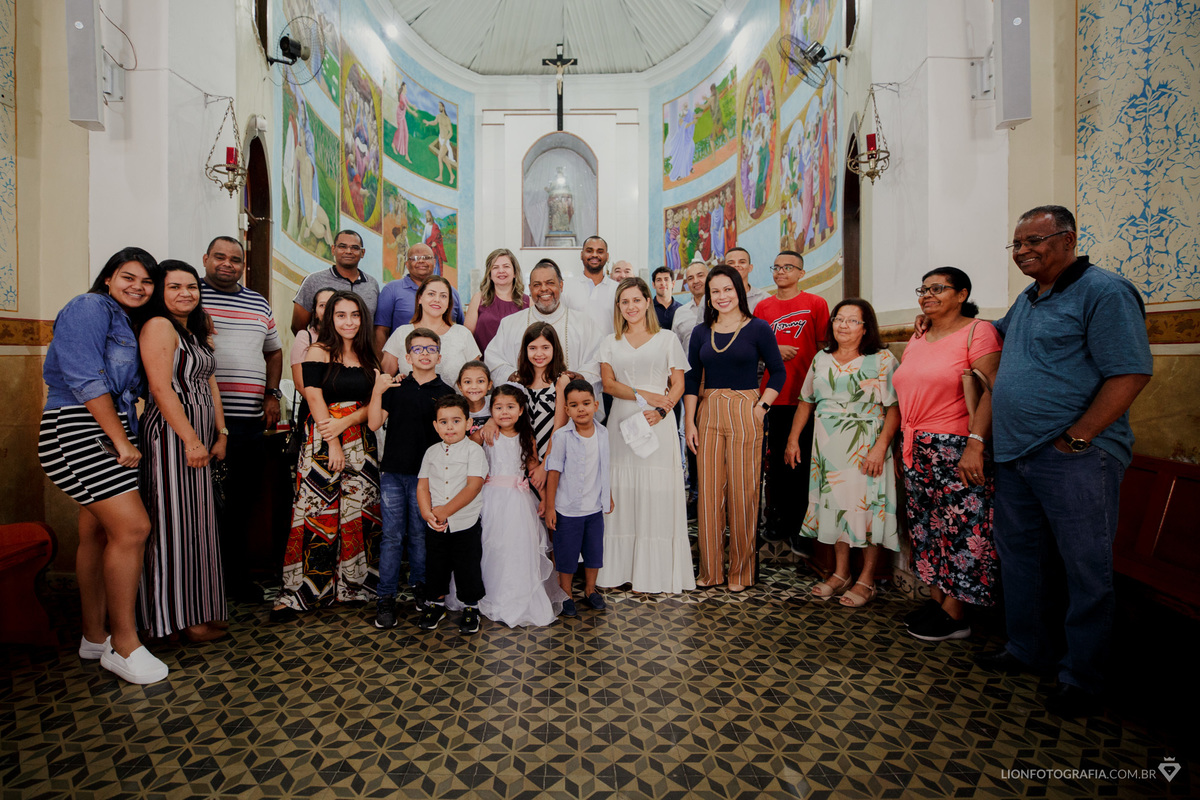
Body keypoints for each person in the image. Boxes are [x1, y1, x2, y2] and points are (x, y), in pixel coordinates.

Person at [974, 205, 1152, 718]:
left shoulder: (1103, 290)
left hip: (1075, 458)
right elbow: (994, 334)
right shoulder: (1030, 299)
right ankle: (1028, 649)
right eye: (1017, 244)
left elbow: (1131, 373)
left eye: (1036, 240)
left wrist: (1078, 438)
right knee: (1023, 561)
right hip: (1016, 456)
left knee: (1084, 568)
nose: (1024, 250)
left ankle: (1083, 676)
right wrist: (942, 319)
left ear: (1069, 239)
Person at [40, 246, 168, 684]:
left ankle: (94, 636)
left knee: (97, 530)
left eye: (146, 282)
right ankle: (124, 644)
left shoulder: (127, 323)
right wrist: (118, 440)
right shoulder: (89, 306)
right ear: (110, 278)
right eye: (128, 277)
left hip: (108, 426)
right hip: (79, 426)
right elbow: (84, 378)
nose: (138, 286)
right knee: (133, 529)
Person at [893, 268, 1002, 642]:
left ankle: (957, 614)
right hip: (916, 444)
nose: (928, 294)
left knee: (960, 529)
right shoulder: (919, 336)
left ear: (962, 294)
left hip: (956, 446)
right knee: (926, 527)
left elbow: (991, 389)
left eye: (938, 288)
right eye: (924, 289)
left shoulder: (977, 331)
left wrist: (976, 442)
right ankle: (939, 601)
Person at [135, 260, 228, 644]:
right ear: (160, 291)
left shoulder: (192, 332)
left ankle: (194, 612)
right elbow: (160, 389)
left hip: (200, 438)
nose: (185, 293)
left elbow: (210, 385)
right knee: (172, 528)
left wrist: (220, 433)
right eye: (174, 287)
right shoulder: (158, 326)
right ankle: (169, 619)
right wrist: (190, 438)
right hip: (173, 438)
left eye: (191, 286)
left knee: (196, 528)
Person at [274, 292, 381, 619]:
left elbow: (371, 407)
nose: (348, 321)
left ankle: (353, 587)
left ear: (362, 319)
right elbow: (315, 395)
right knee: (315, 512)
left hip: (362, 443)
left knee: (360, 514)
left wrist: (349, 422)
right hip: (322, 440)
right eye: (341, 315)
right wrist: (332, 440)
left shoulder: (368, 356)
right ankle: (301, 592)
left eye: (355, 315)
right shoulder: (318, 350)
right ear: (329, 319)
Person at [787, 299, 900, 608]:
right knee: (836, 508)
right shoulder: (821, 359)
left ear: (866, 328)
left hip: (866, 447)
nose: (843, 325)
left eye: (852, 320)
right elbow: (806, 400)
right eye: (839, 319)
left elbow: (894, 409)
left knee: (865, 510)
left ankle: (866, 579)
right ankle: (840, 574)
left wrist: (880, 447)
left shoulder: (882, 359)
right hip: (827, 448)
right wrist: (794, 438)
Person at [683, 265, 785, 592]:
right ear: (708, 297)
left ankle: (741, 572)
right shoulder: (701, 332)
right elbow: (690, 379)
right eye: (716, 291)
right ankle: (711, 571)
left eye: (728, 289)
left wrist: (761, 408)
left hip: (746, 409)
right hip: (708, 411)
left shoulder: (758, 328)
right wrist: (689, 422)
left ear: (738, 290)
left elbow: (778, 373)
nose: (722, 296)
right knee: (710, 495)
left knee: (744, 493)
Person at [596, 279, 694, 594]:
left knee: (656, 492)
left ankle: (655, 573)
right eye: (624, 302)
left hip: (657, 423)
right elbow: (609, 385)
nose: (631, 307)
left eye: (636, 300)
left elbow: (678, 384)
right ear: (618, 307)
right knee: (621, 493)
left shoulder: (667, 339)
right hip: (622, 423)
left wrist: (662, 411)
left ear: (647, 302)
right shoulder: (610, 341)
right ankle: (620, 570)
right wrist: (646, 395)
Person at [199, 236, 283, 602]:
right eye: (220, 257)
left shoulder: (257, 302)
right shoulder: (191, 296)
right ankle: (202, 581)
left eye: (235, 259)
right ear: (206, 259)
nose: (228, 264)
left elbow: (274, 351)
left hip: (248, 421)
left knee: (241, 502)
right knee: (203, 504)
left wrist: (271, 393)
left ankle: (236, 579)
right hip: (202, 420)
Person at [366, 328, 457, 629]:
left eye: (430, 349)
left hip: (427, 478)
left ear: (439, 356)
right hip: (393, 471)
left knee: (420, 534)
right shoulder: (396, 388)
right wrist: (378, 390)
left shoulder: (446, 394)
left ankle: (421, 587)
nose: (424, 354)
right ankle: (386, 597)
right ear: (407, 357)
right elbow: (374, 422)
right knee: (392, 536)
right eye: (417, 350)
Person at [469, 383, 567, 627]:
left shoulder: (527, 438)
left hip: (519, 501)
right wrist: (484, 427)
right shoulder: (485, 434)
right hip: (490, 498)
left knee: (518, 547)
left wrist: (545, 499)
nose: (504, 412)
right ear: (491, 410)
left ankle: (519, 595)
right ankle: (489, 593)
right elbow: (467, 450)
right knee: (491, 545)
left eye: (510, 407)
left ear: (522, 410)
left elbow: (534, 471)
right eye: (498, 407)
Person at [757, 251, 829, 546]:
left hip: (805, 397)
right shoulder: (763, 307)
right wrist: (774, 349)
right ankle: (776, 521)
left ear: (801, 272)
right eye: (776, 267)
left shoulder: (816, 303)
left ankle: (801, 525)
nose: (781, 271)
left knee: (801, 464)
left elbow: (825, 346)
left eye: (788, 267)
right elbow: (754, 347)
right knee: (773, 464)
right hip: (772, 396)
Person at [417, 395, 488, 633]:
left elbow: (474, 486)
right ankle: (436, 604)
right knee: (436, 565)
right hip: (435, 524)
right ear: (435, 426)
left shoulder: (474, 451)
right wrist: (427, 513)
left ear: (468, 424)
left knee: (467, 566)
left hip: (465, 524)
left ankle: (471, 608)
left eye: (456, 421)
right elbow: (423, 486)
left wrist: (445, 511)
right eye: (443, 422)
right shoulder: (430, 452)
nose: (450, 427)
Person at [544, 380, 614, 617]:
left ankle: (590, 590)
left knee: (594, 552)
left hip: (594, 508)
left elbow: (604, 468)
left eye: (586, 403)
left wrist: (608, 495)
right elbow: (553, 473)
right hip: (568, 509)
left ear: (595, 405)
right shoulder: (562, 436)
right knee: (566, 555)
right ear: (567, 410)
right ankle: (566, 593)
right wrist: (551, 507)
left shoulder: (603, 433)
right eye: (574, 405)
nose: (581, 409)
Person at [483, 259, 602, 391]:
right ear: (530, 289)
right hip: (525, 405)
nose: (544, 289)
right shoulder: (510, 324)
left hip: (571, 403)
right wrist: (511, 375)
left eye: (550, 283)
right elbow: (493, 358)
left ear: (561, 286)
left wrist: (582, 377)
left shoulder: (585, 324)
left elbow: (597, 358)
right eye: (537, 285)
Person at [381, 276, 480, 383]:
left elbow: (477, 378)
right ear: (419, 298)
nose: (437, 300)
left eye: (443, 296)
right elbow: (385, 378)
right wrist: (397, 380)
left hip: (456, 399)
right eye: (431, 294)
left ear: (448, 303)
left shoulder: (463, 334)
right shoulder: (401, 333)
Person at [374, 243, 465, 352]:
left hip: (448, 360)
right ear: (407, 264)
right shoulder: (392, 289)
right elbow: (381, 331)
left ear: (434, 262)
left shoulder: (451, 291)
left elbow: (461, 329)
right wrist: (382, 364)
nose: (421, 261)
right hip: (404, 361)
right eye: (415, 258)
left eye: (427, 257)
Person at [291, 230, 381, 334]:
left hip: (362, 350)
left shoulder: (372, 284)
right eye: (342, 246)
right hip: (324, 349)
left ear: (362, 253)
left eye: (355, 248)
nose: (348, 251)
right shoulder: (314, 281)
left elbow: (374, 327)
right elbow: (297, 326)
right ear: (333, 249)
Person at [513, 322, 569, 471]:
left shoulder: (561, 381)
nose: (539, 354)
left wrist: (545, 465)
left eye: (545, 347)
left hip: (553, 458)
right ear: (525, 350)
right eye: (532, 348)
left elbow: (559, 427)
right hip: (524, 458)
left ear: (554, 349)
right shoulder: (519, 382)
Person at [464, 248, 528, 354]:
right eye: (495, 267)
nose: (501, 271)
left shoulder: (528, 302)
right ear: (490, 274)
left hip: (516, 367)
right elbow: (466, 338)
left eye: (506, 266)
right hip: (482, 366)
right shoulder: (478, 298)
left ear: (515, 272)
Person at [562, 236, 618, 337]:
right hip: (575, 352)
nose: (594, 255)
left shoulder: (617, 289)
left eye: (600, 251)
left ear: (607, 256)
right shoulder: (566, 287)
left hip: (609, 351)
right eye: (589, 251)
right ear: (581, 254)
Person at [671, 259, 709, 355]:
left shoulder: (722, 308)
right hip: (690, 368)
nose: (695, 281)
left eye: (700, 276)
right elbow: (675, 350)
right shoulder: (680, 312)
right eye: (690, 278)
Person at [724, 246, 768, 313]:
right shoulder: (713, 298)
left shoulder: (763, 298)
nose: (736, 265)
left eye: (742, 262)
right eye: (731, 263)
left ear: (750, 268)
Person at [424, 101, 458, 184]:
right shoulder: (438, 116)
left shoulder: (447, 119)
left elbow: (451, 132)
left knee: (440, 157)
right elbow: (435, 122)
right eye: (438, 106)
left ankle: (441, 177)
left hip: (445, 141)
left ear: (443, 107)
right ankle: (452, 175)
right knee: (444, 158)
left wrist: (446, 140)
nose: (439, 108)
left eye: (440, 106)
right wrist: (428, 122)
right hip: (440, 139)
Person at [456, 360, 493, 435]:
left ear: (489, 385)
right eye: (468, 382)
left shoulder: (496, 403)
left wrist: (494, 421)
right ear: (459, 386)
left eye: (480, 381)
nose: (474, 387)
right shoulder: (455, 409)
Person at [651, 266, 682, 331]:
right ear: (653, 285)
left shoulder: (681, 309)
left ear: (673, 284)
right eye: (659, 280)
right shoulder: (647, 308)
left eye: (666, 279)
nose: (663, 283)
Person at [393, 81, 413, 163]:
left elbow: (409, 104)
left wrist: (414, 107)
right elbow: (407, 107)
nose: (406, 88)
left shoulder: (404, 96)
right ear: (403, 87)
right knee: (400, 131)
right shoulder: (401, 96)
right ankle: (394, 145)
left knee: (406, 133)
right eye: (405, 87)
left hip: (403, 116)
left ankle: (406, 155)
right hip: (399, 115)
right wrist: (413, 113)